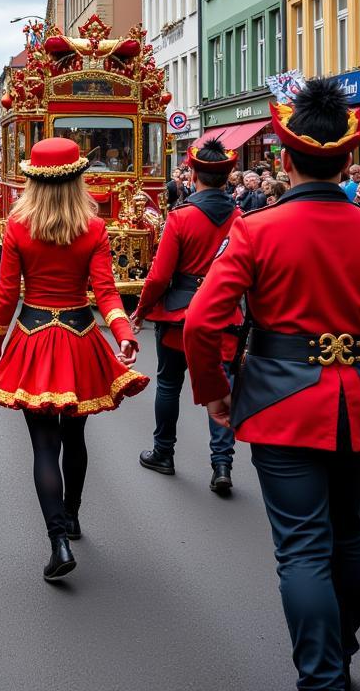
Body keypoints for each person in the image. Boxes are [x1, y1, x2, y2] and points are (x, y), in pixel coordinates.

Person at [185, 79, 360, 691]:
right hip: (358, 399)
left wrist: (214, 389)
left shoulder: (256, 230)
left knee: (302, 549)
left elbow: (203, 321)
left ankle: (321, 676)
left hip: (280, 402)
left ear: (282, 156)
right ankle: (344, 655)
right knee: (348, 534)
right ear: (348, 161)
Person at [0, 138, 147, 581]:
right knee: (75, 438)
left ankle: (56, 541)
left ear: (33, 180)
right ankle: (72, 518)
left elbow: (5, 296)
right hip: (79, 339)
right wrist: (124, 334)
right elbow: (106, 293)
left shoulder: (17, 226)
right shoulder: (92, 229)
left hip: (33, 339)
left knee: (43, 447)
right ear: (78, 179)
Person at [131, 139, 241, 493]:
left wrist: (141, 310)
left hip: (179, 314)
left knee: (168, 384)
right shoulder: (243, 219)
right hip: (225, 316)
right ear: (228, 176)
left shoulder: (180, 217)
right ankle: (222, 465)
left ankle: (164, 452)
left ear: (192, 174)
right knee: (220, 386)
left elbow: (160, 276)